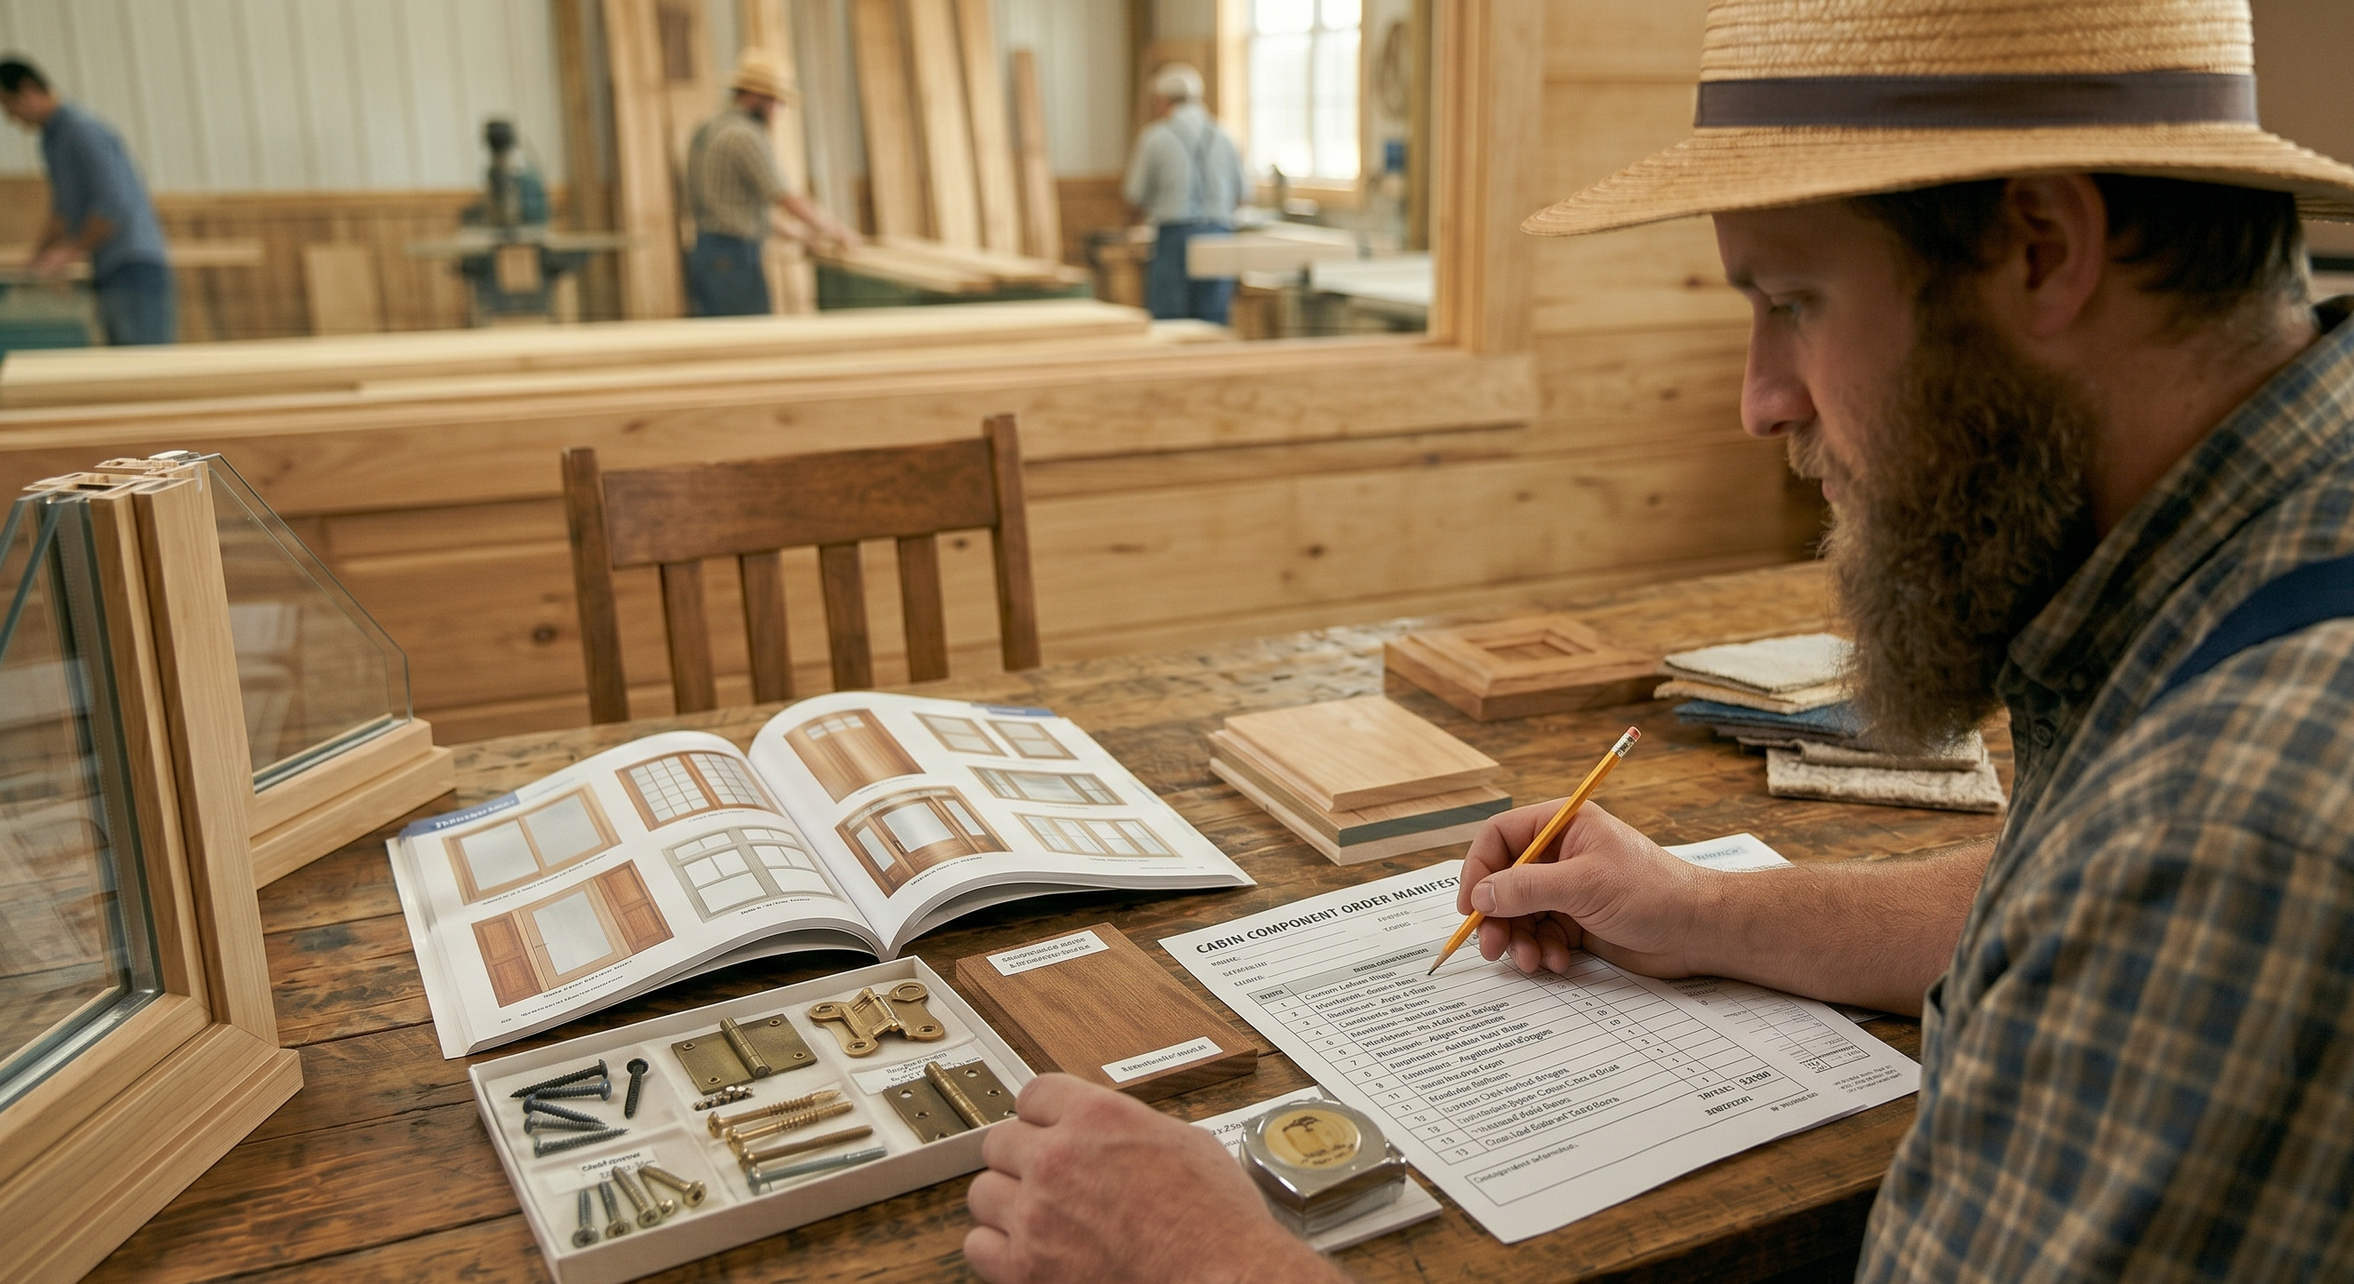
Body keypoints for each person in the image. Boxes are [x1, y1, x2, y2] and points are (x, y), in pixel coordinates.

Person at [963, 1, 2354, 1280]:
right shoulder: (2264, 530)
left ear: (2039, 251)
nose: (1758, 400)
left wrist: (1211, 1259)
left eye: (1791, 303)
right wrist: (1700, 914)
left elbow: (2161, 872)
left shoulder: (2235, 828)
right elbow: (2063, 895)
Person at [0, 56, 173, 345]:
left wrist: (70, 251)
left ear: (28, 90)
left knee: (143, 366)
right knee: (120, 365)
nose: (11, 118)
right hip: (108, 269)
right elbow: (63, 211)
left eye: (9, 105)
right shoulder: (51, 140)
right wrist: (35, 259)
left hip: (134, 267)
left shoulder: (81, 131)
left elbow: (113, 204)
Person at [682, 48, 858, 317]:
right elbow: (787, 197)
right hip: (734, 259)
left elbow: (735, 205)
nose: (779, 111)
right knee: (748, 342)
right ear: (756, 96)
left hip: (708, 253)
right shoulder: (745, 136)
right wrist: (837, 230)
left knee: (722, 343)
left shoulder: (708, 128)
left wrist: (797, 233)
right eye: (777, 102)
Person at [1122, 63, 1245, 325]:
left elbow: (1134, 197)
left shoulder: (1155, 138)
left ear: (1163, 101)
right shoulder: (1225, 136)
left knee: (1171, 323)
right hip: (1218, 234)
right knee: (1213, 321)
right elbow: (1241, 194)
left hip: (1175, 237)